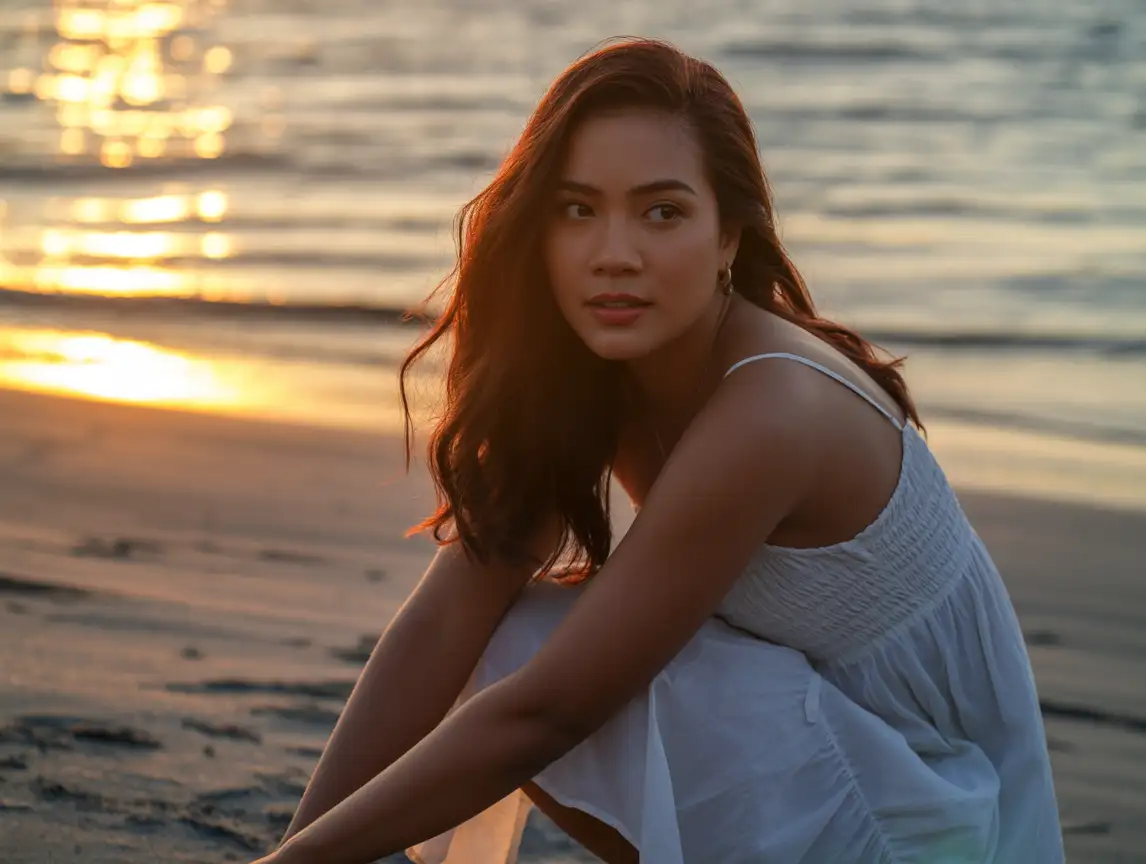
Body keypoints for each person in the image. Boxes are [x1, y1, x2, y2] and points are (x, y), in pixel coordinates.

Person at [251, 37, 1065, 864]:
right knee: (506, 631)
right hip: (832, 747)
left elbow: (552, 713)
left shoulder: (774, 410)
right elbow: (444, 620)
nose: (614, 254)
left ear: (728, 237)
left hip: (938, 817)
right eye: (577, 210)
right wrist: (294, 848)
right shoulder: (600, 372)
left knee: (541, 669)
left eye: (662, 212)